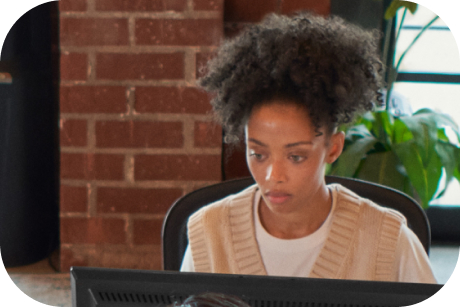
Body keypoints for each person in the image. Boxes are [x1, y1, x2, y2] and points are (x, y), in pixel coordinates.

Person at [180, 11, 436, 283]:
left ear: (333, 148)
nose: (273, 176)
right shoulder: (209, 232)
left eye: (296, 156)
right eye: (258, 154)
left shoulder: (387, 240)